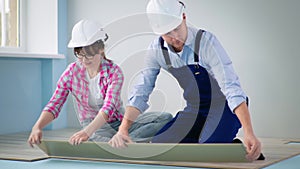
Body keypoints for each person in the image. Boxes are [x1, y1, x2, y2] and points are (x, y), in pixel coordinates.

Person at [109, 0, 263, 161]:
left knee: (206, 152)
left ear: (183, 17)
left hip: (223, 107)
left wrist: (249, 132)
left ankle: (218, 143)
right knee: (160, 145)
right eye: (167, 33)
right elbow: (141, 91)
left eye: (176, 29)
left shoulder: (206, 42)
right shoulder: (156, 51)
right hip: (195, 109)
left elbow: (231, 87)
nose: (175, 38)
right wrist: (123, 130)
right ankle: (220, 143)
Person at [27, 19, 172, 147]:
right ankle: (120, 144)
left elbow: (109, 108)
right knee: (95, 138)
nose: (84, 60)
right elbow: (55, 103)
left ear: (101, 49)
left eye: (89, 55)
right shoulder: (71, 72)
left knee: (165, 118)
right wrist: (37, 127)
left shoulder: (114, 72)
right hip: (93, 126)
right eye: (79, 54)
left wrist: (118, 131)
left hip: (118, 122)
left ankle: (122, 141)